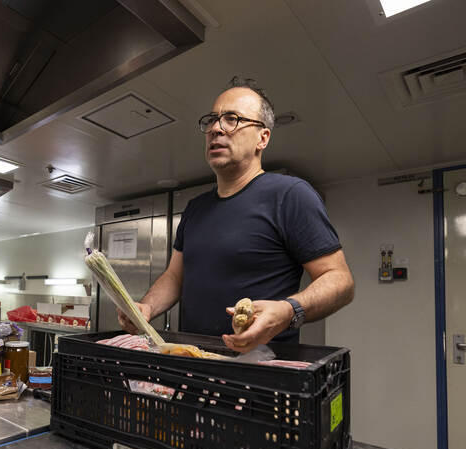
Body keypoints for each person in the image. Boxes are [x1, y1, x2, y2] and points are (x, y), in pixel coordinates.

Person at [118, 79, 354, 352]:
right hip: (193, 361)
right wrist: (147, 306)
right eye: (213, 120)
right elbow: (174, 277)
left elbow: (340, 280)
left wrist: (289, 310)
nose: (216, 128)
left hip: (258, 372)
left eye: (233, 119)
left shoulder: (290, 195)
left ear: (262, 138)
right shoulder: (195, 208)